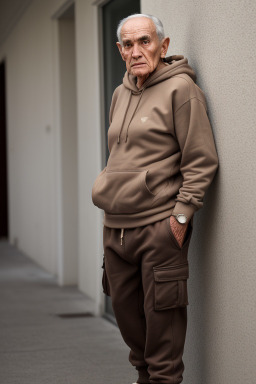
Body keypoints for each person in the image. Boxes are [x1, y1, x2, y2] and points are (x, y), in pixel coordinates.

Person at [92, 13, 219, 384]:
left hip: (158, 230)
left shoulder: (182, 91)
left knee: (163, 353)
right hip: (116, 232)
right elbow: (118, 158)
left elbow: (201, 160)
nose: (136, 51)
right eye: (128, 45)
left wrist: (179, 220)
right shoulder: (119, 94)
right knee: (136, 343)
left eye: (144, 41)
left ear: (163, 46)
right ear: (119, 50)